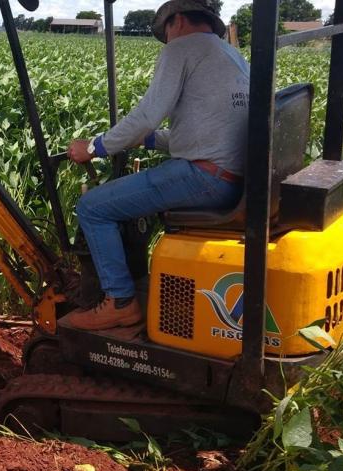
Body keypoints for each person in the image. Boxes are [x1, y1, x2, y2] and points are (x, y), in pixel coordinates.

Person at [65, 0, 249, 331]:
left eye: (166, 33)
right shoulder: (230, 54)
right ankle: (135, 285)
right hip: (231, 178)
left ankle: (120, 302)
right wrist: (147, 140)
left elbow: (147, 115)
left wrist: (93, 148)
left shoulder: (182, 48)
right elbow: (207, 131)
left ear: (176, 21)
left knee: (92, 207)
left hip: (205, 178)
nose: (167, 41)